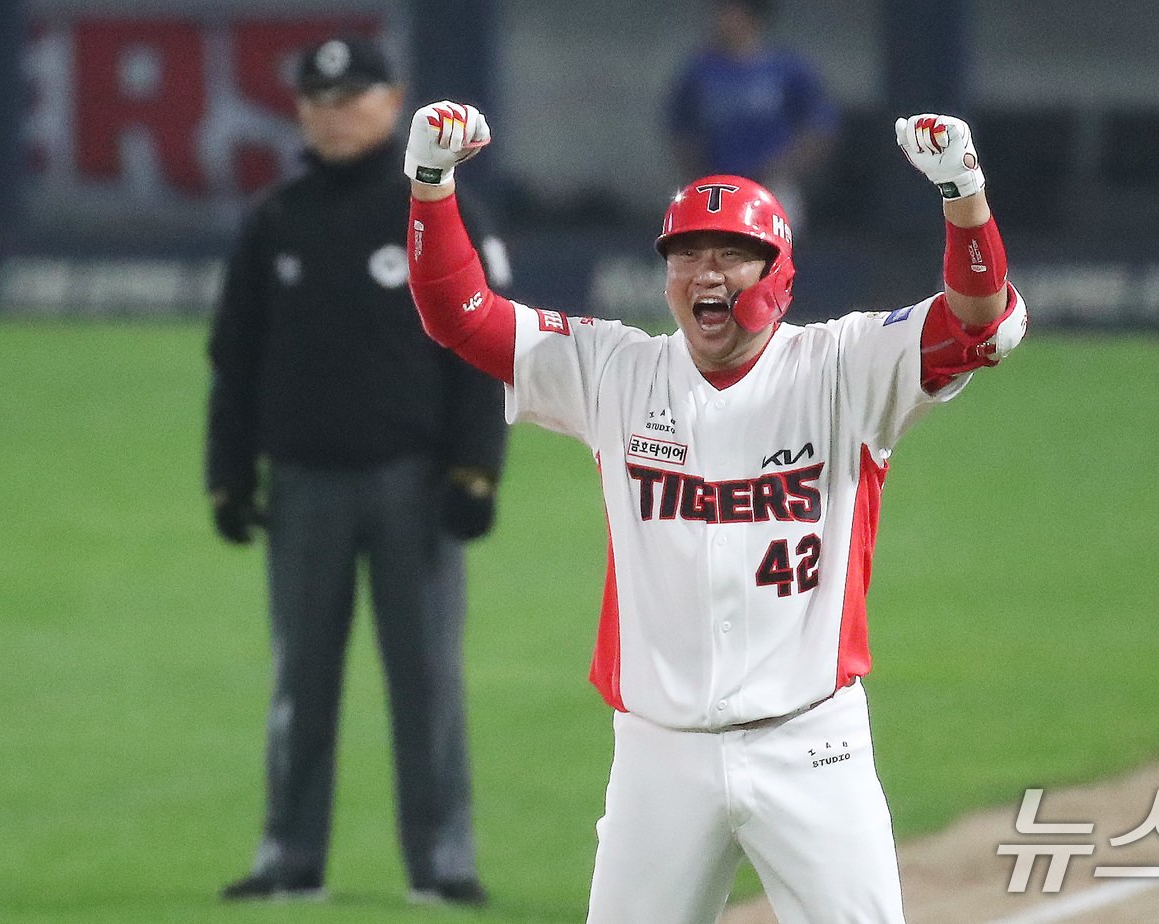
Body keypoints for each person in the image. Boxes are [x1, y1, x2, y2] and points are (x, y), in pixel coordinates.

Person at [403, 100, 1026, 923]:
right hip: (659, 757)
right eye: (686, 255)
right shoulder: (613, 372)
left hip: (812, 747)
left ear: (779, 270)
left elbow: (981, 322)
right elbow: (459, 315)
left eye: (733, 254)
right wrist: (429, 186)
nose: (705, 273)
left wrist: (964, 194)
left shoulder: (844, 366)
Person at [205, 38, 508, 906]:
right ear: (301, 111)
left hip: (412, 483)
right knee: (300, 680)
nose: (334, 113)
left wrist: (476, 471)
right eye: (319, 99)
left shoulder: (438, 211)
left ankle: (443, 862)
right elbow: (237, 356)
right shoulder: (276, 219)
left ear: (394, 101)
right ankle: (288, 858)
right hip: (302, 484)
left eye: (353, 96)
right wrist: (228, 474)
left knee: (427, 683)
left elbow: (483, 350)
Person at [666, 0, 839, 230]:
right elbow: (681, 131)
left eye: (732, 13)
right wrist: (698, 175)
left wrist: (779, 168)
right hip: (716, 187)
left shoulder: (787, 68)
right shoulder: (701, 69)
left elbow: (819, 129)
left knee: (777, 253)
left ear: (752, 18)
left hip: (773, 185)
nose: (723, 20)